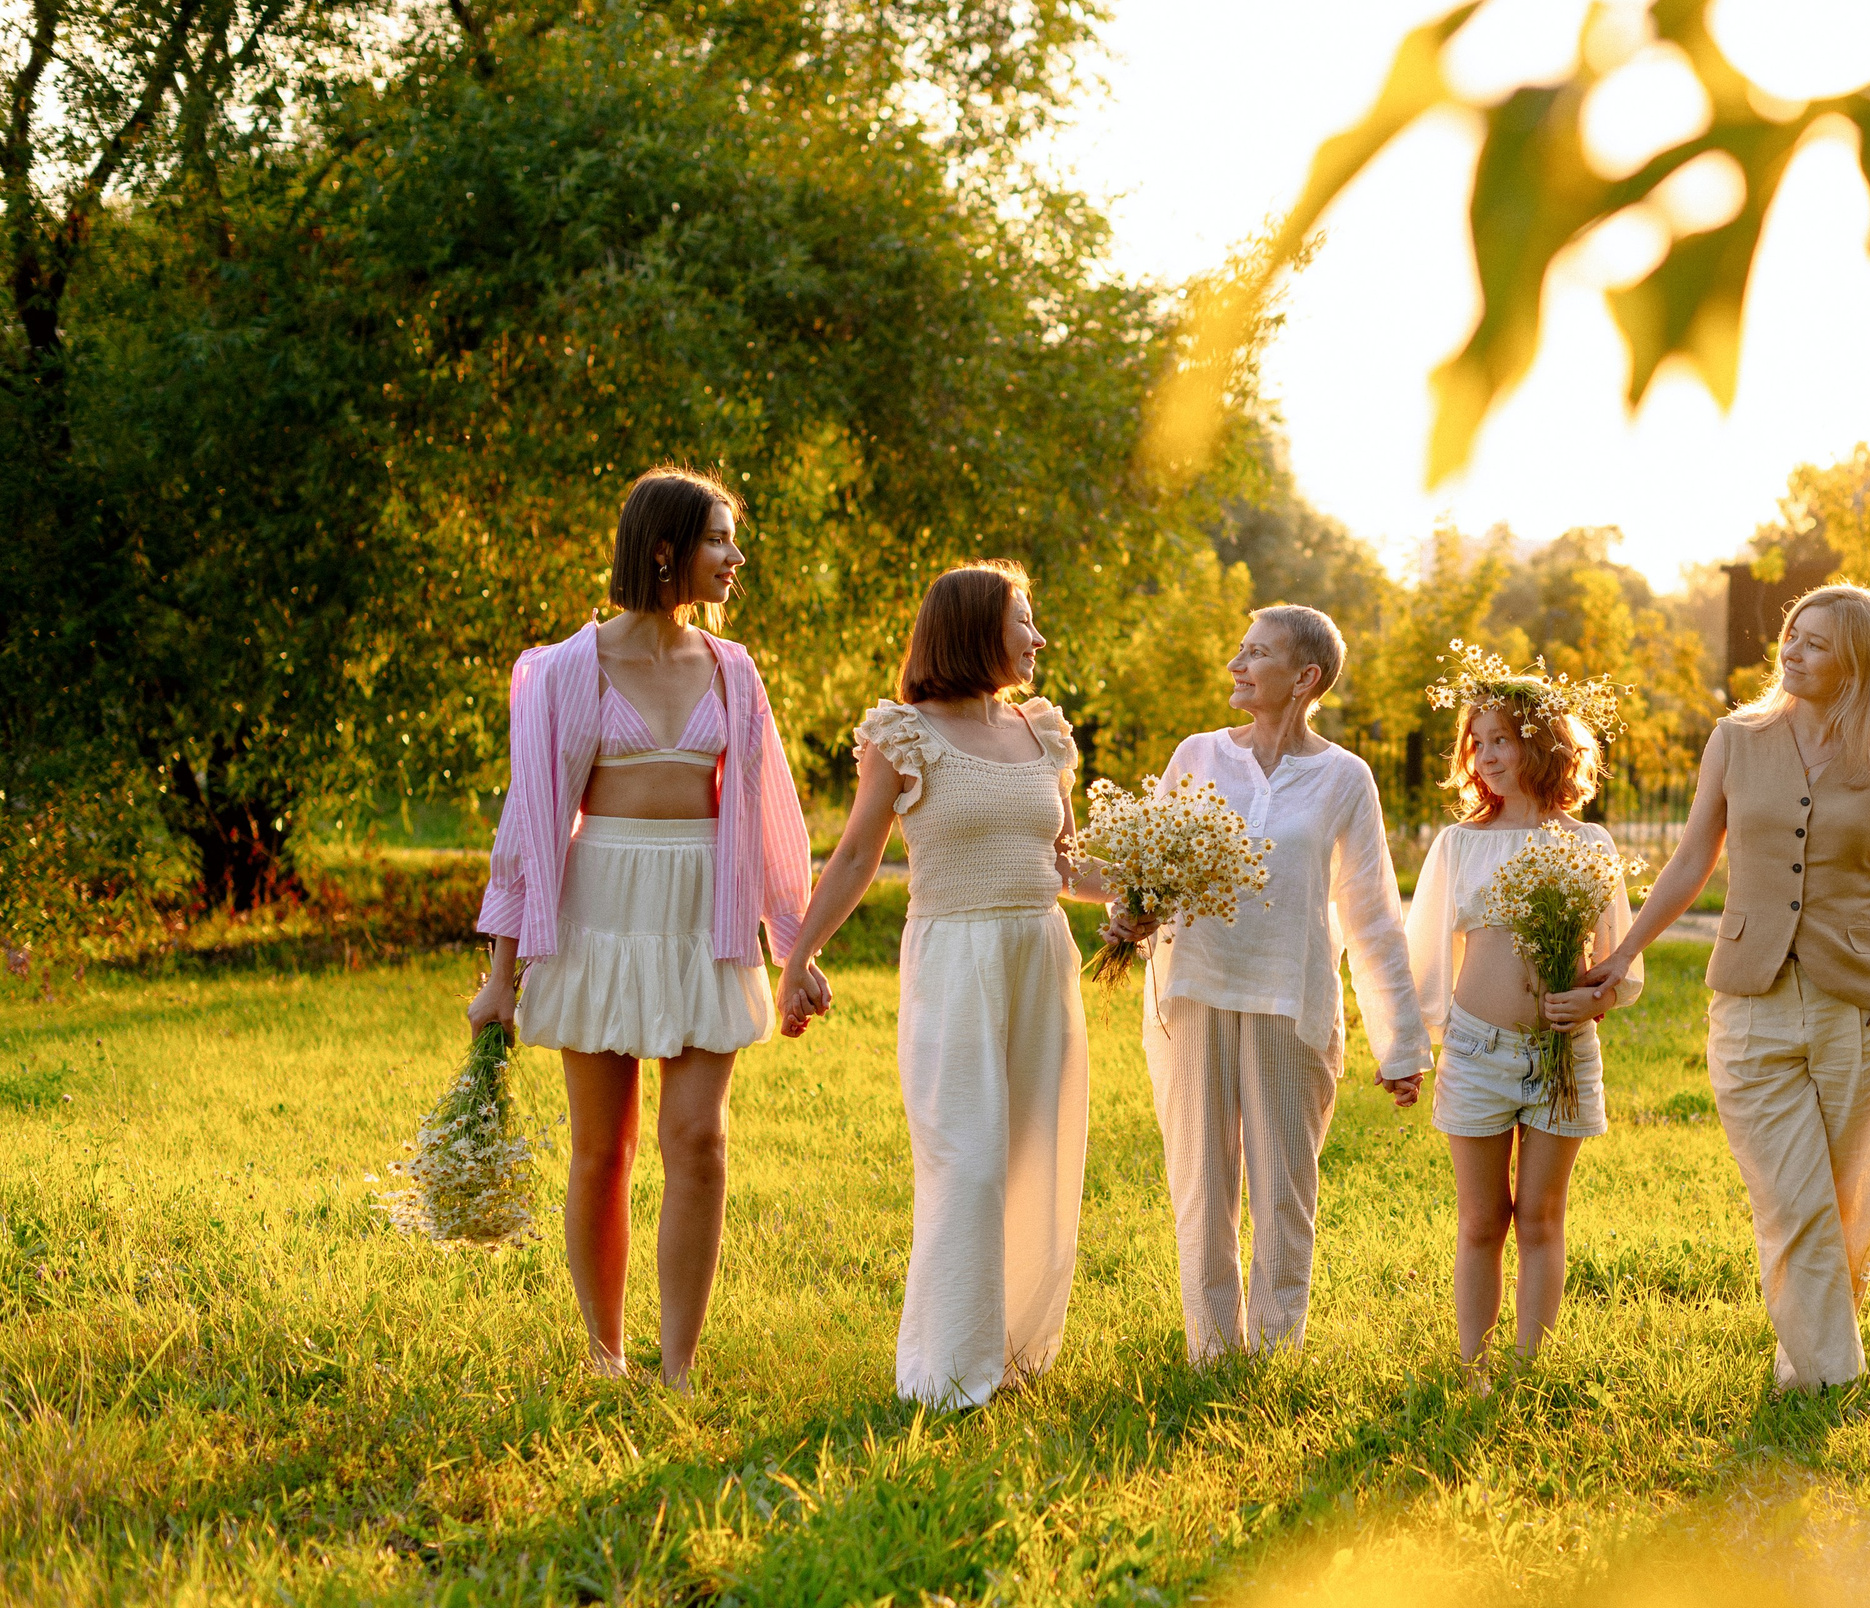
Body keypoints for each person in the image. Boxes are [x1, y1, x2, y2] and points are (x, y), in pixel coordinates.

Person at [469, 466, 813, 1393]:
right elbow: (529, 825)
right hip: (601, 910)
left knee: (698, 1139)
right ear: (664, 550)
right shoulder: (566, 669)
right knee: (603, 1146)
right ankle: (605, 1353)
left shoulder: (733, 671)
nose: (736, 558)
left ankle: (679, 1364)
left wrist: (797, 947)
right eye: (718, 541)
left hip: (703, 912)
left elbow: (773, 815)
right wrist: (501, 973)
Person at [1581, 583, 1870, 1393]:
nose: (1792, 649)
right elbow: (1690, 861)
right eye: (1791, 633)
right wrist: (1624, 951)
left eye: (1816, 641)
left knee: (1847, 1210)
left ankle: (1804, 1374)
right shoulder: (1736, 739)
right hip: (1750, 1000)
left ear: (1861, 660)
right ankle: (1834, 1386)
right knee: (1794, 1200)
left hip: (1862, 1007)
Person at [778, 561, 1105, 1410]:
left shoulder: (1045, 734)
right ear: (971, 628)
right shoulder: (904, 734)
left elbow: (1070, 864)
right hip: (955, 959)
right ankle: (948, 1374)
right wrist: (800, 956)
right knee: (966, 1156)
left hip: (1041, 954)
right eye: (1023, 621)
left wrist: (1158, 881)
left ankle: (1016, 1350)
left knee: (1039, 1150)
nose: (1037, 638)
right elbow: (856, 854)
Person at [1100, 605, 1430, 1362]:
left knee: (1285, 1190)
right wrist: (1134, 914)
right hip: (1195, 993)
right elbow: (1150, 868)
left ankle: (1275, 1354)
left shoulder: (1345, 778)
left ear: (1305, 677)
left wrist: (1402, 1042)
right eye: (1240, 649)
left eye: (1257, 653)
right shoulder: (1200, 754)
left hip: (1291, 999)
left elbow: (1373, 912)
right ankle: (1212, 1354)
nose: (1236, 664)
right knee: (1201, 1183)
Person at [1405, 653, 1641, 1371]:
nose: (1486, 754)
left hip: (1562, 1054)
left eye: (1501, 737)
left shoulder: (1587, 843)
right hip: (1477, 1049)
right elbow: (1424, 956)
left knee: (1540, 1215)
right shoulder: (1459, 844)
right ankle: (1474, 1366)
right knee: (1483, 1218)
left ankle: (1527, 1365)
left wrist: (1593, 998)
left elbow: (1618, 964)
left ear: (1542, 742)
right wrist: (1415, 1047)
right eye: (1477, 741)